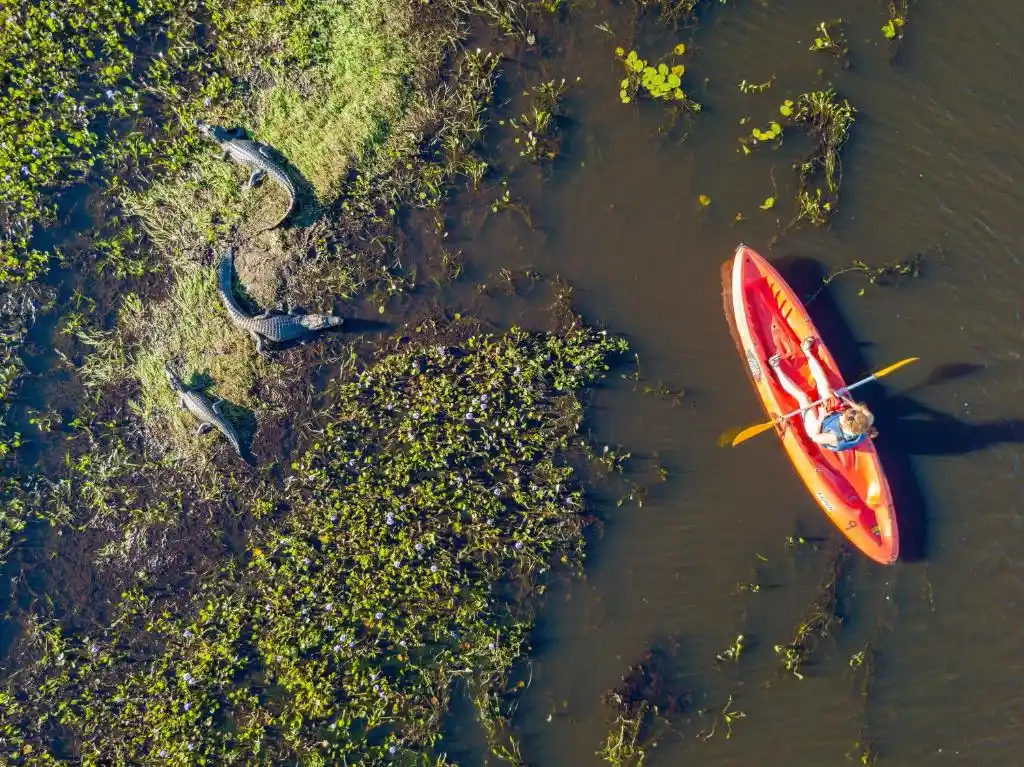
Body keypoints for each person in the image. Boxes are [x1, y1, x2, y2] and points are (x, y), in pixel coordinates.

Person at [768, 336, 878, 451]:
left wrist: (822, 416)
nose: (845, 412)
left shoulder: (836, 436)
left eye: (844, 415)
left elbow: (815, 437)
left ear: (845, 423)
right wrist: (845, 400)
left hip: (819, 428)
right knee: (825, 387)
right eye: (852, 411)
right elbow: (859, 409)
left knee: (803, 398)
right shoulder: (869, 418)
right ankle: (807, 351)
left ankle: (775, 367)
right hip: (833, 417)